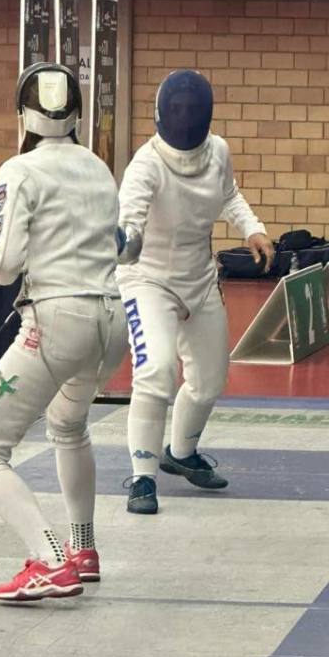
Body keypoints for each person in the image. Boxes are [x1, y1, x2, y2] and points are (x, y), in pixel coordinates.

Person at [0, 62, 128, 601]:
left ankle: (49, 560)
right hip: (112, 322)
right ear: (78, 113)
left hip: (58, 322)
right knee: (68, 425)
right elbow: (117, 244)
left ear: (23, 113)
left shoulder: (19, 169)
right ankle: (83, 548)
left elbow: (5, 264)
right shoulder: (100, 167)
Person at [117, 69, 274, 514]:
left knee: (208, 382)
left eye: (193, 110)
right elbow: (130, 228)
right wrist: (122, 241)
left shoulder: (217, 151)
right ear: (163, 114)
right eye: (178, 110)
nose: (185, 117)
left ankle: (181, 454)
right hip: (147, 281)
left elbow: (229, 195)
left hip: (200, 279)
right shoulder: (144, 166)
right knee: (157, 371)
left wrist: (253, 229)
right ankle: (143, 479)